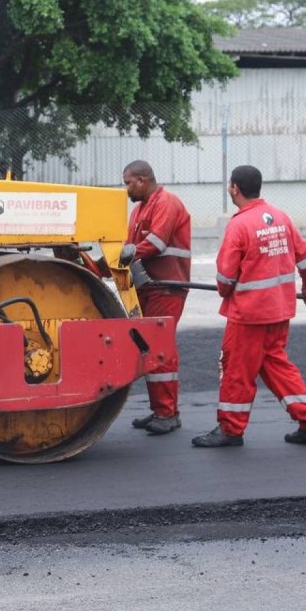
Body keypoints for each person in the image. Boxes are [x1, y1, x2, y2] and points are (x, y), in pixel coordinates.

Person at [192, 165, 306, 448]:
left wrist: (225, 291)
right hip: (279, 311)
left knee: (236, 371)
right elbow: (304, 256)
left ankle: (230, 429)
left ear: (234, 188)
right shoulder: (281, 217)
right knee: (276, 365)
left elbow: (225, 277)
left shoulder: (239, 225)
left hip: (248, 315)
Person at [119, 160, 191, 435]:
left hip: (167, 286)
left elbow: (157, 242)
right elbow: (130, 246)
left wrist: (130, 252)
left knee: (160, 347)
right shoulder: (139, 210)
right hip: (150, 287)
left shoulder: (167, 202)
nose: (126, 189)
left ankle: (166, 413)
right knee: (149, 347)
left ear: (142, 179)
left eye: (128, 183)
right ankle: (163, 410)